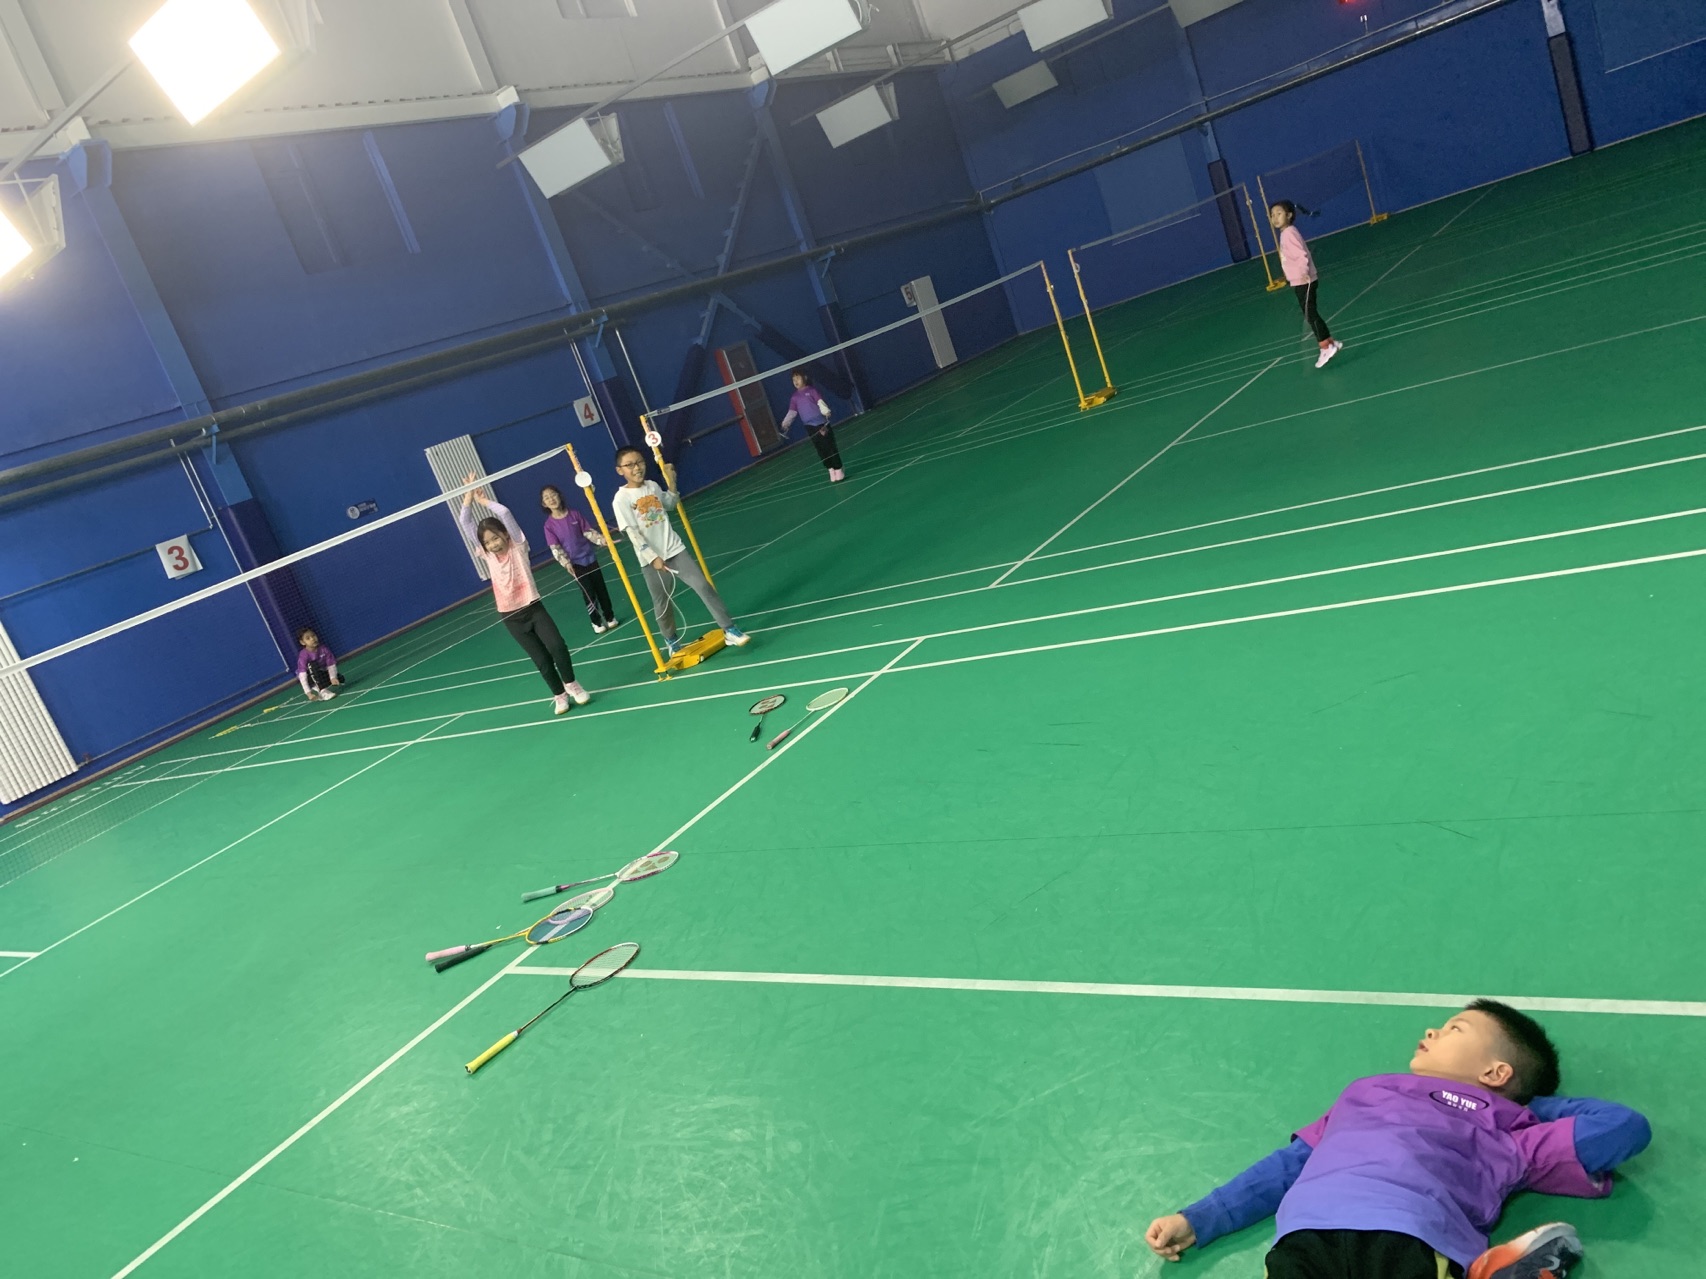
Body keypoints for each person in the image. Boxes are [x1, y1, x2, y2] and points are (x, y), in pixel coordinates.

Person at [1144, 1000, 1650, 1279]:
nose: (1431, 1030)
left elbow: (1623, 1128)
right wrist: (1202, 1218)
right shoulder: (1366, 1093)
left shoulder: (1510, 1132)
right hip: (1307, 1230)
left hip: (1411, 1235)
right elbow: (1289, 1165)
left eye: (1455, 1029)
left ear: (1496, 1072)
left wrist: (1519, 1107)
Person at [456, 472, 589, 716]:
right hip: (510, 616)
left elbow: (505, 513)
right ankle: (559, 695)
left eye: (496, 538)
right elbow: (465, 522)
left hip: (533, 607)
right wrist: (468, 495)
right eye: (488, 542)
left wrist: (483, 500)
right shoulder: (488, 556)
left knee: (557, 646)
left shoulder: (518, 546)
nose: (494, 544)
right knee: (541, 660)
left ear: (505, 535)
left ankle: (572, 684)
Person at [608, 447, 750, 655]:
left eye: (639, 462)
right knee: (662, 604)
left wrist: (671, 481)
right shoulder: (621, 499)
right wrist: (653, 557)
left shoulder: (652, 486)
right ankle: (671, 641)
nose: (637, 468)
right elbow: (633, 534)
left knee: (703, 586)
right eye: (630, 465)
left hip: (674, 548)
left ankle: (729, 629)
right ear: (620, 470)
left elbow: (671, 503)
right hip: (651, 560)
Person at [1270, 199, 1342, 369]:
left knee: (1310, 314)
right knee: (1311, 313)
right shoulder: (1286, 233)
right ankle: (1330, 342)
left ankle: (1325, 347)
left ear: (1289, 215)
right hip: (1299, 280)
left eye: (1279, 213)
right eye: (1272, 215)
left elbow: (1301, 254)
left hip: (1304, 281)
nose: (1275, 218)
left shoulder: (1289, 233)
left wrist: (1303, 273)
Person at [540, 484, 620, 635]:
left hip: (590, 558)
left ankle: (610, 617)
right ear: (544, 504)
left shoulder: (575, 515)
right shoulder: (549, 526)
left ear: (559, 496)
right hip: (575, 564)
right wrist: (566, 563)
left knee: (601, 589)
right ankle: (596, 622)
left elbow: (588, 532)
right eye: (547, 498)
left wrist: (603, 540)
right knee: (589, 593)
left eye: (553, 495)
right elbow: (555, 548)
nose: (551, 499)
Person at [780, 369, 844, 483]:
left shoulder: (812, 390)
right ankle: (830, 469)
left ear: (805, 378)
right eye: (793, 380)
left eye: (798, 378)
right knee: (820, 449)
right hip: (809, 427)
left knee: (829, 447)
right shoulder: (794, 397)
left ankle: (838, 469)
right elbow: (792, 412)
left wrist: (826, 411)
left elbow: (820, 402)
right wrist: (786, 422)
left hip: (821, 424)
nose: (796, 381)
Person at [295, 627, 342, 701]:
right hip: (309, 678)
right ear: (302, 642)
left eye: (313, 635)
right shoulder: (303, 655)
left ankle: (320, 687)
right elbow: (302, 675)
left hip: (320, 673)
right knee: (313, 665)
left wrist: (333, 677)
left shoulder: (324, 649)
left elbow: (331, 665)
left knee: (340, 678)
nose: (312, 639)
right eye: (308, 638)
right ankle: (323, 692)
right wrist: (308, 693)